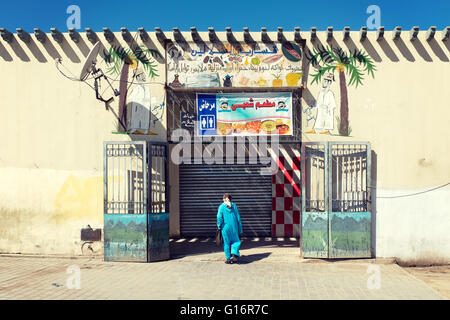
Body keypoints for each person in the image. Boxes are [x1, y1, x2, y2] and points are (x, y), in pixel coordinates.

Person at [217, 193, 243, 264]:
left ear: (223, 199)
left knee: (226, 242)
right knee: (236, 241)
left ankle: (228, 259)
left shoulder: (221, 206)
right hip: (234, 227)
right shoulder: (234, 206)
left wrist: (219, 226)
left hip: (225, 227)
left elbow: (219, 217)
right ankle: (234, 253)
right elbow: (238, 218)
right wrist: (240, 230)